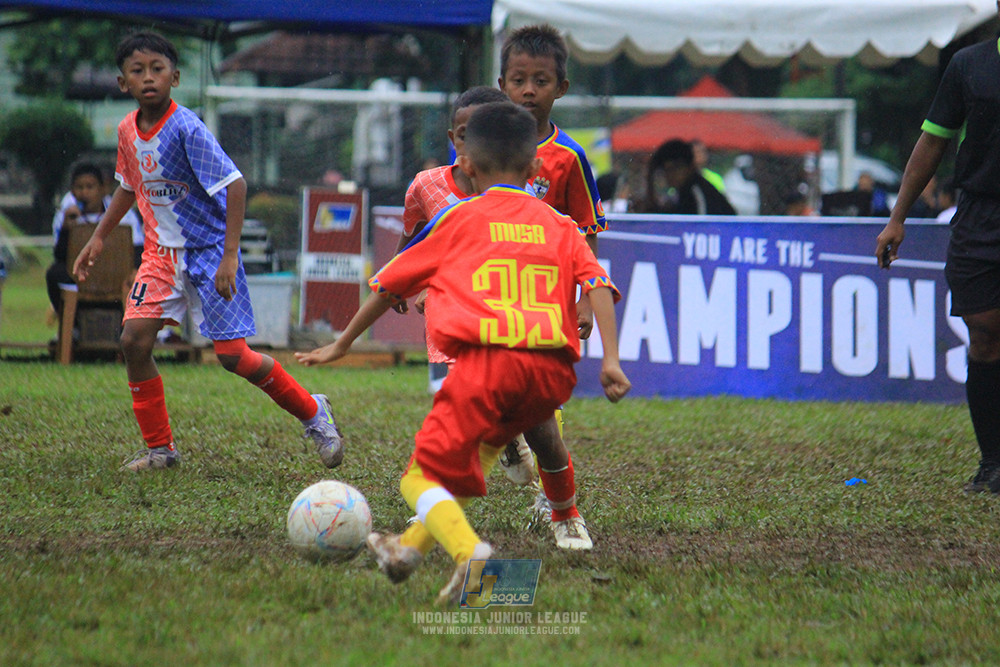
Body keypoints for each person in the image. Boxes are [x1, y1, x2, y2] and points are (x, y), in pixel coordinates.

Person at [296, 102, 631, 604]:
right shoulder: (559, 224)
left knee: (419, 479)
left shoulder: (458, 218)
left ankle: (470, 553)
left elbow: (391, 288)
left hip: (487, 367)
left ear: (467, 165)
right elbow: (598, 284)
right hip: (550, 374)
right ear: (536, 169)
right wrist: (611, 361)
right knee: (472, 462)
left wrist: (343, 343)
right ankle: (407, 551)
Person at [72, 32, 343, 472]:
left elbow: (235, 185)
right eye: (137, 72)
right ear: (123, 83)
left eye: (157, 69)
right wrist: (100, 236)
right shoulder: (126, 130)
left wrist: (230, 255)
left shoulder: (187, 128)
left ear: (174, 78)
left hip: (209, 252)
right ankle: (162, 450)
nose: (148, 78)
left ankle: (314, 412)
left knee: (234, 357)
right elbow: (127, 185)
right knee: (133, 340)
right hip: (161, 256)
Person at [875, 3, 1000, 493]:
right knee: (986, 335)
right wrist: (897, 217)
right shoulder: (969, 65)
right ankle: (992, 464)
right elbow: (932, 142)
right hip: (980, 215)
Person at [497, 22, 608, 540]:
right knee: (490, 386)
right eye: (519, 79)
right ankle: (506, 444)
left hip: (548, 298)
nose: (528, 90)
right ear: (502, 85)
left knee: (541, 398)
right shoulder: (483, 148)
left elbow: (586, 233)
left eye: (540, 80)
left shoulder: (570, 159)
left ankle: (552, 496)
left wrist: (586, 296)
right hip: (490, 292)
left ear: (560, 89)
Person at [46, 162, 144, 314]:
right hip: (81, 277)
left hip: (116, 276)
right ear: (72, 191)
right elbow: (60, 257)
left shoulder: (123, 214)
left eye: (90, 187)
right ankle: (74, 325)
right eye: (79, 187)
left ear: (102, 189)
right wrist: (66, 230)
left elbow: (138, 248)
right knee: (53, 273)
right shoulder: (66, 215)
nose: (84, 193)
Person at [639, 138, 737, 215]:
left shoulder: (697, 192)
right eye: (666, 170)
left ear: (690, 167)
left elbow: (700, 227)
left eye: (675, 168)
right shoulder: (680, 194)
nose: (670, 175)